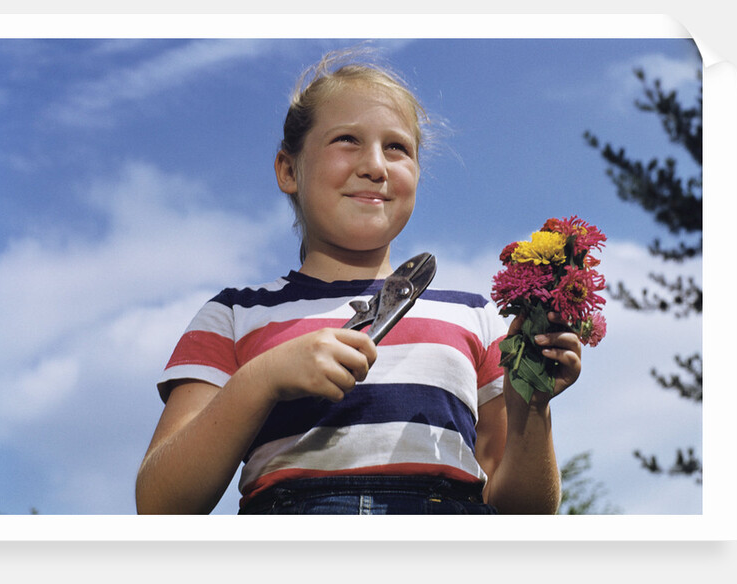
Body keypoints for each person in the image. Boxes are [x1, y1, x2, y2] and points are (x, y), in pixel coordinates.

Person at [134, 48, 582, 515]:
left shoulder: (478, 319)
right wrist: (261, 379)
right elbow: (160, 504)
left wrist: (533, 407)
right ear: (289, 170)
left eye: (397, 148)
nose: (375, 165)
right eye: (347, 140)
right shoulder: (232, 315)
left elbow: (525, 515)